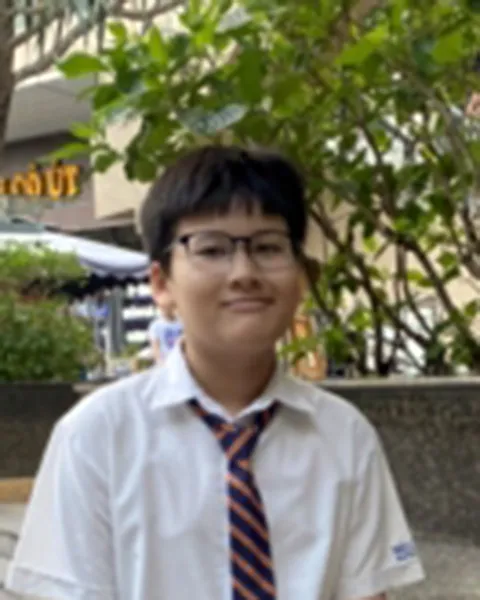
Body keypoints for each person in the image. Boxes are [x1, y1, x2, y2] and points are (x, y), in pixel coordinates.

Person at [6, 146, 425, 600]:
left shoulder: (344, 436)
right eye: (211, 249)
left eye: (268, 247)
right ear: (161, 284)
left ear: (300, 277)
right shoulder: (97, 435)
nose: (244, 273)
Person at [148, 290, 183, 363]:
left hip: (181, 361)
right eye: (162, 307)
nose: (164, 309)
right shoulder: (156, 326)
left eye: (168, 306)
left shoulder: (182, 322)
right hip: (166, 363)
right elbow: (155, 347)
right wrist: (160, 361)